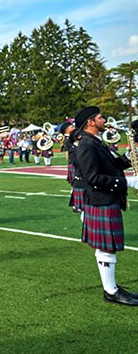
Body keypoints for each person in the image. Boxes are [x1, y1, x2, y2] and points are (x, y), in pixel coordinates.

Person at [74, 106, 138, 306]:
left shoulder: (95, 142)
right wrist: (127, 182)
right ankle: (110, 291)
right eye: (100, 117)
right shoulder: (86, 145)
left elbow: (113, 166)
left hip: (106, 200)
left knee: (106, 248)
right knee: (106, 248)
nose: (104, 120)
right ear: (90, 122)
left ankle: (112, 288)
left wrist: (129, 157)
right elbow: (93, 178)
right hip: (101, 200)